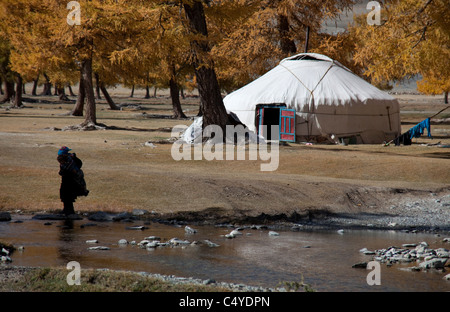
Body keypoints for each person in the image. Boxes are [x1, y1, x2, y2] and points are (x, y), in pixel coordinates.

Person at [57, 146, 89, 216]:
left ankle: (68, 211)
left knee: (67, 195)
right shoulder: (70, 158)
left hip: (70, 180)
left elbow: (65, 170)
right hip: (69, 180)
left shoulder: (68, 160)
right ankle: (68, 210)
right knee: (66, 195)